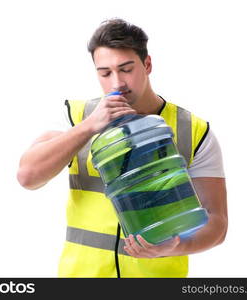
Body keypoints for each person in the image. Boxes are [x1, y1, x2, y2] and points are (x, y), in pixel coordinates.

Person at [17, 18, 228, 278]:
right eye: (105, 73)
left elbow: (217, 222)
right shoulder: (75, 116)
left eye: (126, 69)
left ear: (147, 64)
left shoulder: (193, 129)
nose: (117, 82)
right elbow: (28, 177)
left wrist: (177, 247)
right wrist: (88, 127)